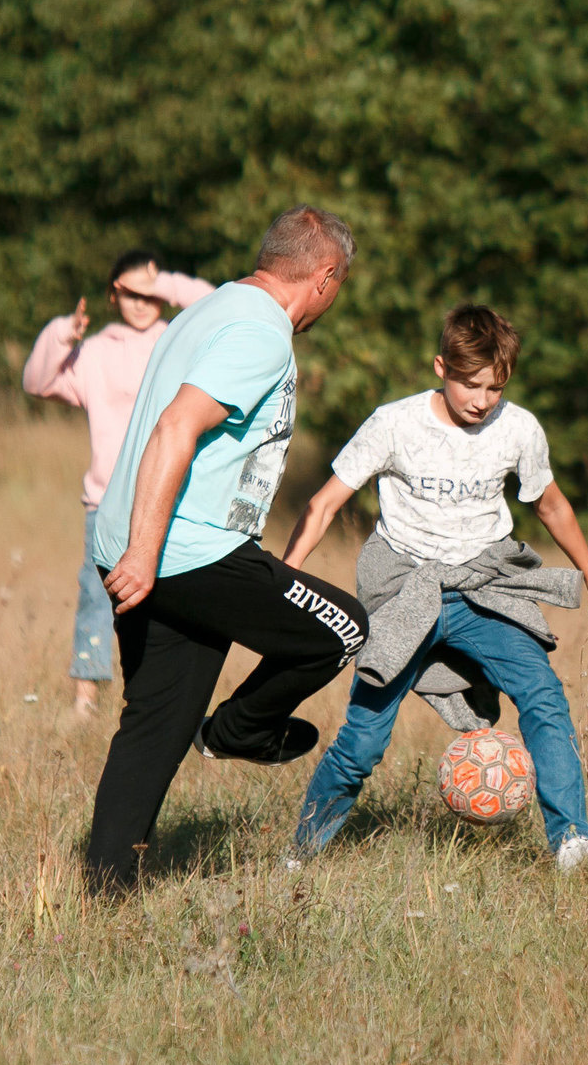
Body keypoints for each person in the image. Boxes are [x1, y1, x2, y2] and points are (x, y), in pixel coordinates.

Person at [280, 304, 588, 873]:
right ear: (440, 366)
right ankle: (300, 852)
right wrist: (286, 577)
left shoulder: (518, 429)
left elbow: (552, 505)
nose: (481, 399)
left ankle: (571, 841)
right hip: (403, 595)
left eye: (494, 387)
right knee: (363, 743)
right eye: (469, 384)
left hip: (482, 592)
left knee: (543, 698)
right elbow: (323, 505)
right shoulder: (393, 423)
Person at [83, 207, 368, 892]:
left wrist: (136, 549)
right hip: (183, 551)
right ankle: (241, 731)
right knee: (343, 626)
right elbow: (177, 427)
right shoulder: (260, 332)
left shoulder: (208, 309)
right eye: (342, 284)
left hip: (135, 542)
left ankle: (105, 890)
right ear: (325, 277)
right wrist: (148, 555)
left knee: (156, 724)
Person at [23, 248, 214, 716]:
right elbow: (35, 380)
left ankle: (160, 696)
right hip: (107, 500)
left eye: (149, 292)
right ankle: (85, 702)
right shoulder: (94, 352)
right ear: (113, 295)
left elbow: (213, 307)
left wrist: (165, 281)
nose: (140, 301)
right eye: (129, 291)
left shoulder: (179, 340)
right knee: (96, 596)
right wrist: (63, 334)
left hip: (171, 495)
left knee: (169, 601)